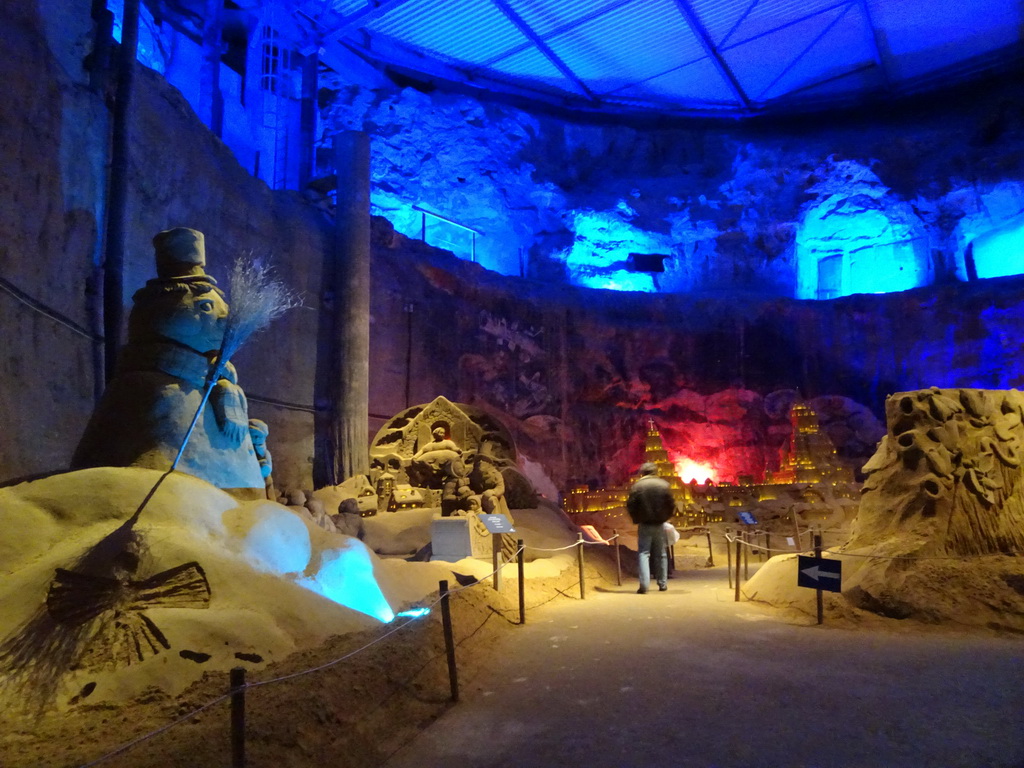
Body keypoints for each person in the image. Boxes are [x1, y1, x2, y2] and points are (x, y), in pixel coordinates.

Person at [626, 462, 676, 593]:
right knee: (661, 554)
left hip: (645, 524)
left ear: (642, 472)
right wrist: (666, 517)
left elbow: (631, 504)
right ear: (655, 472)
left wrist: (636, 518)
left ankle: (644, 585)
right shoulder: (664, 485)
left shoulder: (637, 486)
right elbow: (671, 504)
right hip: (659, 524)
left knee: (643, 553)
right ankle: (663, 583)